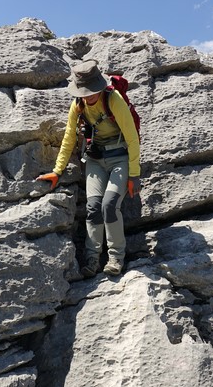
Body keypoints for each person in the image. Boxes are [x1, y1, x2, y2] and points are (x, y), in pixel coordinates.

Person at [37, 59, 140, 277]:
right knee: (94, 207)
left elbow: (132, 138)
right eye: (84, 91)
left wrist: (134, 175)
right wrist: (57, 171)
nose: (88, 95)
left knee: (109, 205)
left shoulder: (114, 99)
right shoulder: (78, 105)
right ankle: (92, 259)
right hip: (95, 161)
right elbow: (69, 138)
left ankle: (115, 258)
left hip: (120, 157)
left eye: (92, 90)